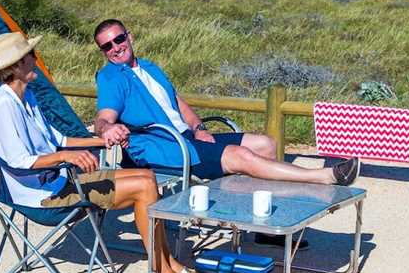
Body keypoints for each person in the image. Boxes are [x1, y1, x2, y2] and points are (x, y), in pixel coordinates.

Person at [92, 19, 360, 246]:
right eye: (107, 46)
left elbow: (178, 103)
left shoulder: (150, 67)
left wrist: (198, 128)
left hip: (186, 137)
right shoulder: (111, 78)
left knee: (265, 144)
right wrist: (107, 128)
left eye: (118, 39)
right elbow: (103, 118)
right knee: (239, 156)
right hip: (165, 147)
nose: (116, 48)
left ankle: (269, 230)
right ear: (103, 51)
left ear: (130, 36)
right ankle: (324, 177)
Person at [0, 31, 193, 273]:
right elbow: (18, 161)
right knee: (142, 189)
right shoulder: (3, 105)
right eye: (31, 55)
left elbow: (59, 139)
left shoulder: (27, 96)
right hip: (42, 197)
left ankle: (168, 262)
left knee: (148, 177)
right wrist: (66, 157)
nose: (36, 59)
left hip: (59, 181)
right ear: (15, 66)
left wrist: (106, 140)